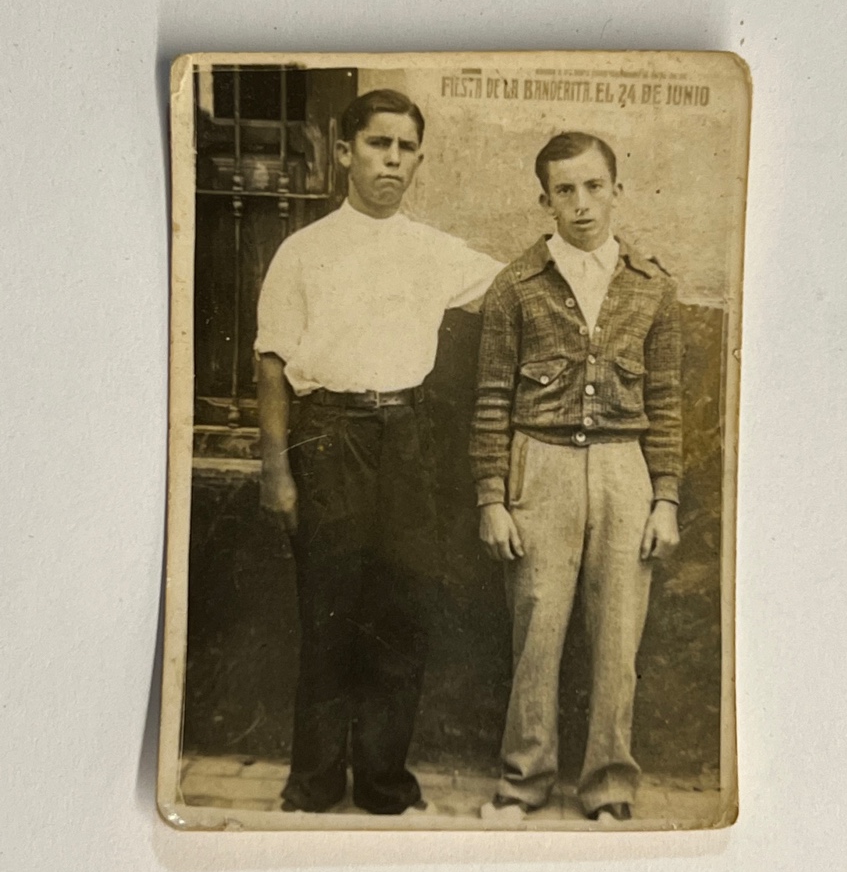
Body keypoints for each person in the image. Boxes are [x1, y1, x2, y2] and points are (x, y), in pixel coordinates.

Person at [255, 88, 502, 815]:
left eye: (405, 148)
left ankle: (386, 781)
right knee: (329, 613)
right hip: (330, 438)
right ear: (344, 152)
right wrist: (276, 471)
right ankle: (316, 781)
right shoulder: (303, 251)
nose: (392, 159)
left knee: (401, 615)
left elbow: (517, 283)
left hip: (411, 440)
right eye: (377, 144)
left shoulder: (434, 251)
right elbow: (272, 362)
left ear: (419, 160)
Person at [469, 131, 682, 824]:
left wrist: (667, 499)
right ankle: (523, 782)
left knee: (618, 638)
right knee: (538, 630)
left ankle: (609, 786)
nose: (582, 204)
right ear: (545, 200)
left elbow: (669, 404)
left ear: (617, 190)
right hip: (542, 464)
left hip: (626, 469)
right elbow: (492, 398)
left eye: (594, 187)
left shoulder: (653, 287)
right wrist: (492, 499)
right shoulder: (515, 287)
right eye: (565, 190)